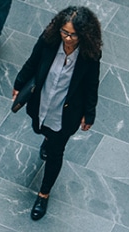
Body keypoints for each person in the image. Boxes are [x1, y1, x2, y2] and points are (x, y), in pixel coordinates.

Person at [11, 6, 101, 220]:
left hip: (67, 110)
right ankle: (48, 139)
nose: (68, 39)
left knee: (55, 152)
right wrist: (19, 83)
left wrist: (89, 113)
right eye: (64, 32)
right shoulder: (49, 41)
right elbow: (32, 62)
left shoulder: (90, 55)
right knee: (40, 128)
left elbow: (91, 85)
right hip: (42, 102)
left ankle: (44, 194)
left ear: (84, 34)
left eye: (73, 35)